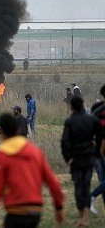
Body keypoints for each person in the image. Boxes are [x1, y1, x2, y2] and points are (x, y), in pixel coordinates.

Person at [0, 113, 64, 228]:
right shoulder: (35, 152)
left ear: (1, 132)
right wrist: (59, 208)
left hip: (16, 212)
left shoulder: (1, 157)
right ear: (18, 130)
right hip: (36, 211)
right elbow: (53, 182)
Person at [61, 96, 101, 227]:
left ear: (71, 106)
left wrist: (68, 158)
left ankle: (81, 217)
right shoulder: (92, 120)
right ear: (83, 104)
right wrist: (96, 149)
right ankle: (86, 217)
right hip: (89, 158)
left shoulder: (70, 121)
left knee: (78, 188)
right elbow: (101, 135)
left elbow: (65, 142)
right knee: (87, 186)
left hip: (76, 160)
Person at [89, 84, 105, 215]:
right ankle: (92, 196)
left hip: (97, 151)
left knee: (103, 179)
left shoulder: (96, 110)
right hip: (102, 151)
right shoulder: (101, 111)